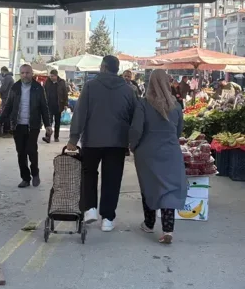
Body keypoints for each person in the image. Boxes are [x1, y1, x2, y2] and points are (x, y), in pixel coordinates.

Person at [66, 55, 136, 232]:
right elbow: (135, 116)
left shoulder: (91, 86)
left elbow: (80, 112)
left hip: (92, 140)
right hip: (117, 142)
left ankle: (90, 209)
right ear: (117, 69)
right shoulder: (128, 90)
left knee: (89, 174)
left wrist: (73, 139)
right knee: (112, 179)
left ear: (104, 67)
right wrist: (132, 141)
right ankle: (108, 218)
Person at [129, 69, 186, 244]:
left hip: (147, 152)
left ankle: (149, 223)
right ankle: (168, 229)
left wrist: (133, 145)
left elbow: (137, 129)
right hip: (170, 152)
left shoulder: (144, 104)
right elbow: (178, 130)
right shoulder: (176, 106)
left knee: (149, 186)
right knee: (168, 188)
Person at [0, 64, 51, 188]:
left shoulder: (38, 88)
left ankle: (35, 173)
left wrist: (48, 124)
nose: (25, 75)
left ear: (32, 73)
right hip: (18, 125)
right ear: (20, 74)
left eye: (27, 72)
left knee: (31, 150)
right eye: (22, 73)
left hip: (33, 125)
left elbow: (44, 108)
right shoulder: (15, 87)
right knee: (21, 153)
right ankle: (25, 178)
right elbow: (8, 107)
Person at [42, 69, 68, 143]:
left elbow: (65, 93)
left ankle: (56, 137)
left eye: (52, 76)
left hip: (58, 105)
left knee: (57, 122)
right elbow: (44, 91)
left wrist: (66, 104)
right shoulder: (47, 82)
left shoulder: (61, 82)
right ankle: (48, 137)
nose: (51, 77)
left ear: (56, 76)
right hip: (49, 105)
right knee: (48, 122)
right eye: (50, 76)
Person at [0, 67, 15, 134]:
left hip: (6, 98)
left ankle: (6, 131)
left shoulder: (7, 78)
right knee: (7, 113)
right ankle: (7, 130)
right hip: (8, 97)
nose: (1, 73)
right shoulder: (10, 77)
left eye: (1, 71)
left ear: (3, 71)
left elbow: (4, 88)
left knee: (6, 113)